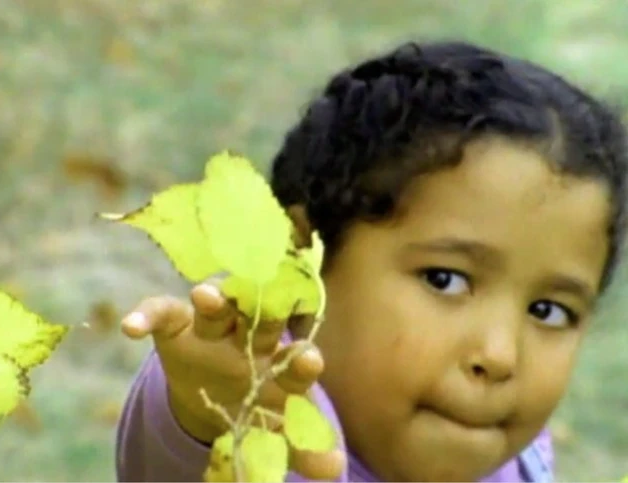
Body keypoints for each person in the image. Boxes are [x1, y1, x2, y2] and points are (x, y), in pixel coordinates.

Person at [114, 40, 628, 482]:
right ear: (298, 259)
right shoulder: (264, 421)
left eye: (548, 311)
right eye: (445, 279)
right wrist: (204, 410)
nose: (500, 355)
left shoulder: (515, 454)